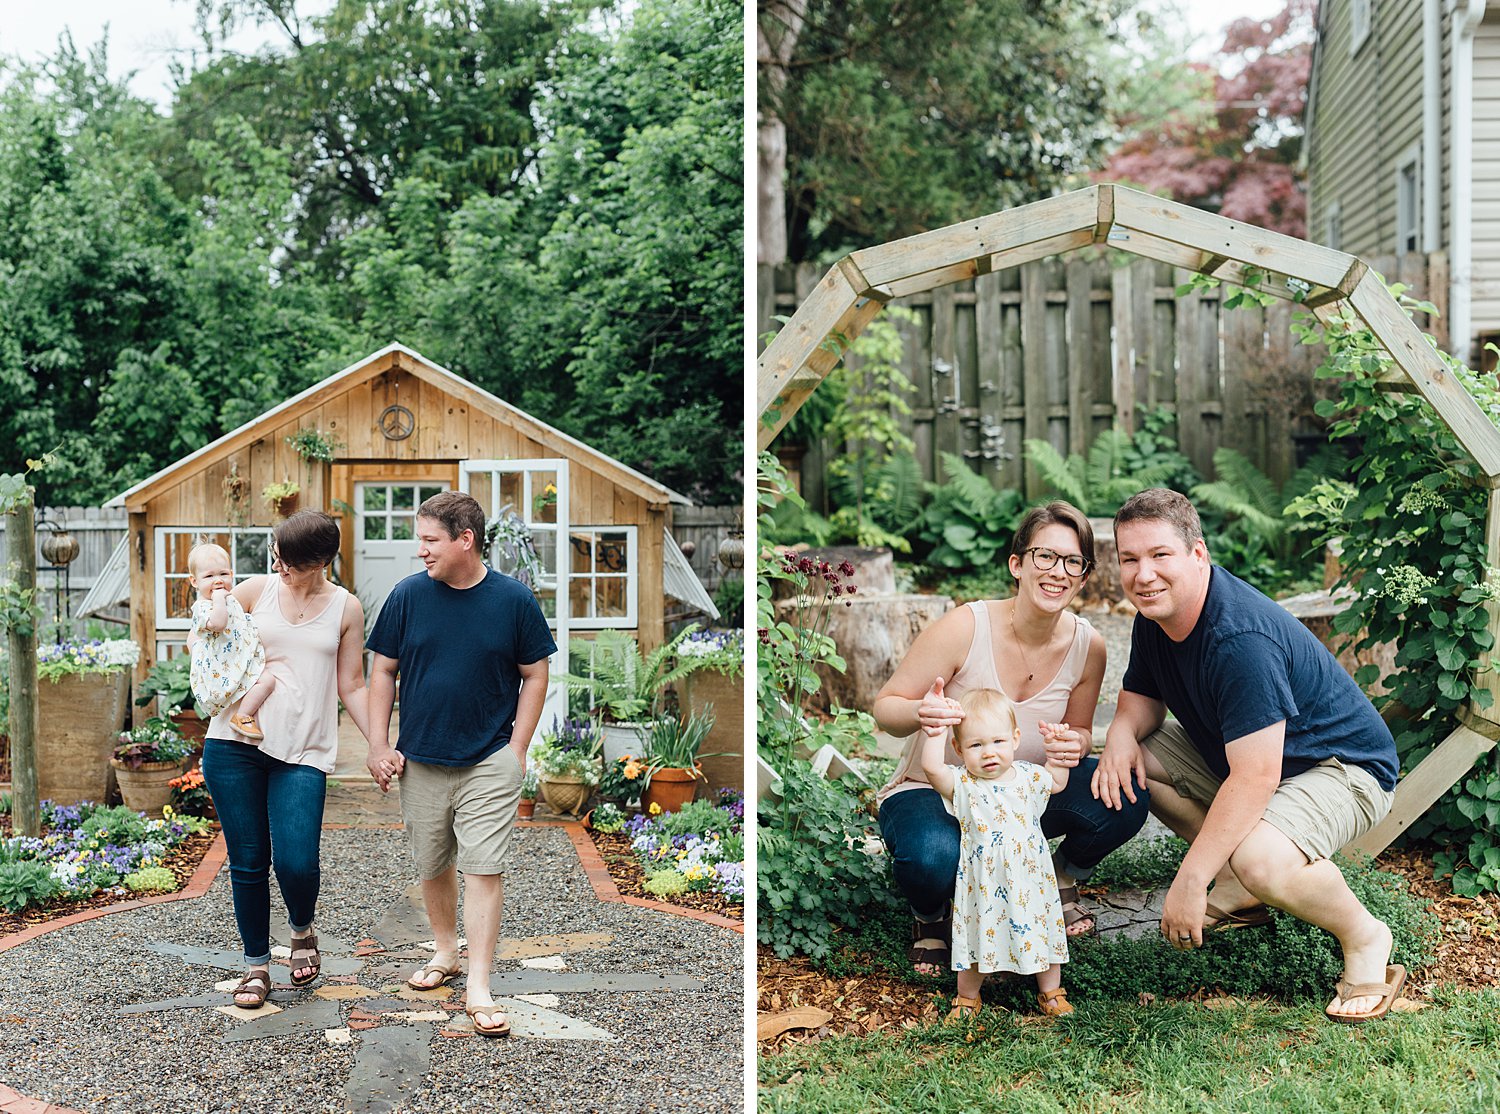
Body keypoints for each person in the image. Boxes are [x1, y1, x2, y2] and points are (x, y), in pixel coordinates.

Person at [1093, 488, 1406, 1024]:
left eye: (1160, 555)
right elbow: (1141, 699)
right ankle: (1241, 885)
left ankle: (1365, 936)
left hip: (1341, 770)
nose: (1143, 575)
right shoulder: (1155, 615)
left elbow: (1256, 776)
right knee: (1136, 758)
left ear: (1198, 554)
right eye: (1130, 559)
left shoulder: (1239, 639)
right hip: (1254, 763)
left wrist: (1191, 881)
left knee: (1262, 857)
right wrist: (1121, 733)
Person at [873, 502, 1150, 976]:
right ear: (1017, 564)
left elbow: (1080, 731)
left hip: (1021, 797)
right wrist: (923, 712)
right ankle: (930, 916)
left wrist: (1075, 745)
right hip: (937, 791)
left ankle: (1057, 877)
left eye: (1072, 562)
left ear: (1084, 577)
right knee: (933, 858)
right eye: (1045, 556)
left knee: (1125, 796)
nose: (1057, 572)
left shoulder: (1089, 646)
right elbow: (885, 709)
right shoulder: (966, 626)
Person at [365, 490, 555, 1039]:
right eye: (419, 540)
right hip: (420, 759)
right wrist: (379, 745)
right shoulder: (407, 597)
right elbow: (383, 673)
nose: (420, 551)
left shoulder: (513, 600)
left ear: (464, 540)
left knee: (483, 866)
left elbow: (535, 675)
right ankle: (446, 951)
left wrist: (516, 750)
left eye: (429, 540)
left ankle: (478, 981)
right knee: (432, 863)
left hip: (489, 760)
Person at [198, 511, 372, 1009]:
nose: (281, 569)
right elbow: (207, 634)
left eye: (291, 563)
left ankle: (301, 930)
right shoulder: (255, 591)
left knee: (296, 861)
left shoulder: (345, 608)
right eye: (276, 557)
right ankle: (256, 966)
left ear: (322, 562)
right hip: (233, 744)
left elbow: (352, 683)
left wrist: (379, 745)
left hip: (303, 750)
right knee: (248, 861)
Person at [922, 688, 1073, 1019]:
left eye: (998, 742)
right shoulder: (964, 784)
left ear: (1016, 738)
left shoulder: (1029, 776)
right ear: (958, 749)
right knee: (979, 935)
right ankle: (967, 997)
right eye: (976, 745)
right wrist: (934, 731)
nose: (988, 753)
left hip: (1030, 880)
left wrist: (1056, 749)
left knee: (1041, 931)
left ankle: (1051, 992)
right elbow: (932, 769)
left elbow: (1057, 781)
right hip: (986, 883)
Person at [186, 542, 275, 740]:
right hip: (223, 665)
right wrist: (219, 600)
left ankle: (243, 713)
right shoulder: (202, 607)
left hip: (237, 657)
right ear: (194, 581)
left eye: (223, 574)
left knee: (267, 681)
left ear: (232, 575)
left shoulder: (229, 599)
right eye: (209, 576)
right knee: (265, 681)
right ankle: (243, 716)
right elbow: (218, 623)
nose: (218, 581)